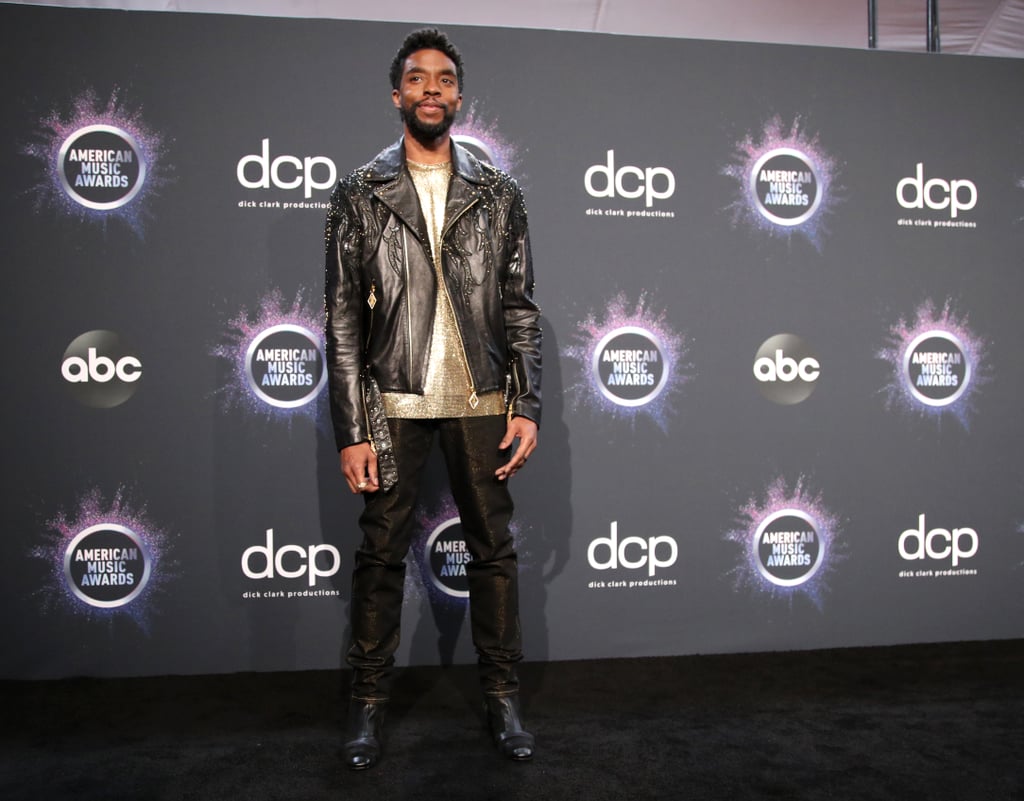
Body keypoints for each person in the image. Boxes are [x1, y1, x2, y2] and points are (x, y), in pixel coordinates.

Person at [323, 27, 542, 770]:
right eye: (417, 79)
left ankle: (503, 696)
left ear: (458, 95)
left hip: (483, 398)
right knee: (380, 553)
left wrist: (526, 401)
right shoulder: (358, 193)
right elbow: (344, 319)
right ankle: (368, 705)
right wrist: (352, 426)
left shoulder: (499, 191)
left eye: (443, 79)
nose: (431, 90)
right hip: (392, 398)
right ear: (397, 95)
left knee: (494, 551)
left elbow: (518, 308)